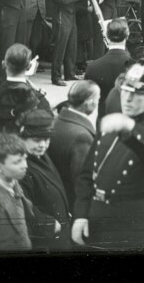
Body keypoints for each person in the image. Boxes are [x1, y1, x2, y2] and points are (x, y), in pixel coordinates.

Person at [72, 60, 144, 250]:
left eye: (136, 94)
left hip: (138, 226)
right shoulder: (111, 123)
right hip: (101, 222)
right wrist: (81, 214)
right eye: (125, 92)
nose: (127, 99)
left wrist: (131, 129)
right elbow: (87, 174)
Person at [18, 109, 71, 250]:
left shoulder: (40, 155)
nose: (42, 145)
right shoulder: (21, 167)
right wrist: (48, 223)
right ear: (23, 138)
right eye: (36, 140)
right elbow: (21, 204)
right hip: (45, 238)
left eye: (46, 140)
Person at [48, 80, 98, 210]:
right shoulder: (82, 137)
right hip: (71, 202)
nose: (98, 102)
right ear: (89, 102)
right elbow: (82, 181)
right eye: (97, 98)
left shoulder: (57, 120)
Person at [0, 44, 52, 134]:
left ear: (3, 64)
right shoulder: (38, 98)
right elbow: (48, 121)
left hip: (0, 142)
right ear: (30, 67)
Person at [83, 18, 132, 122]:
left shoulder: (93, 67)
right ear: (127, 36)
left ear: (107, 37)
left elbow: (86, 101)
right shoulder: (137, 66)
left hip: (103, 121)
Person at [46, 0, 85, 86]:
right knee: (60, 49)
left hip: (71, 18)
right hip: (61, 18)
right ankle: (56, 77)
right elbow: (64, 0)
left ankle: (70, 73)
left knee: (71, 47)